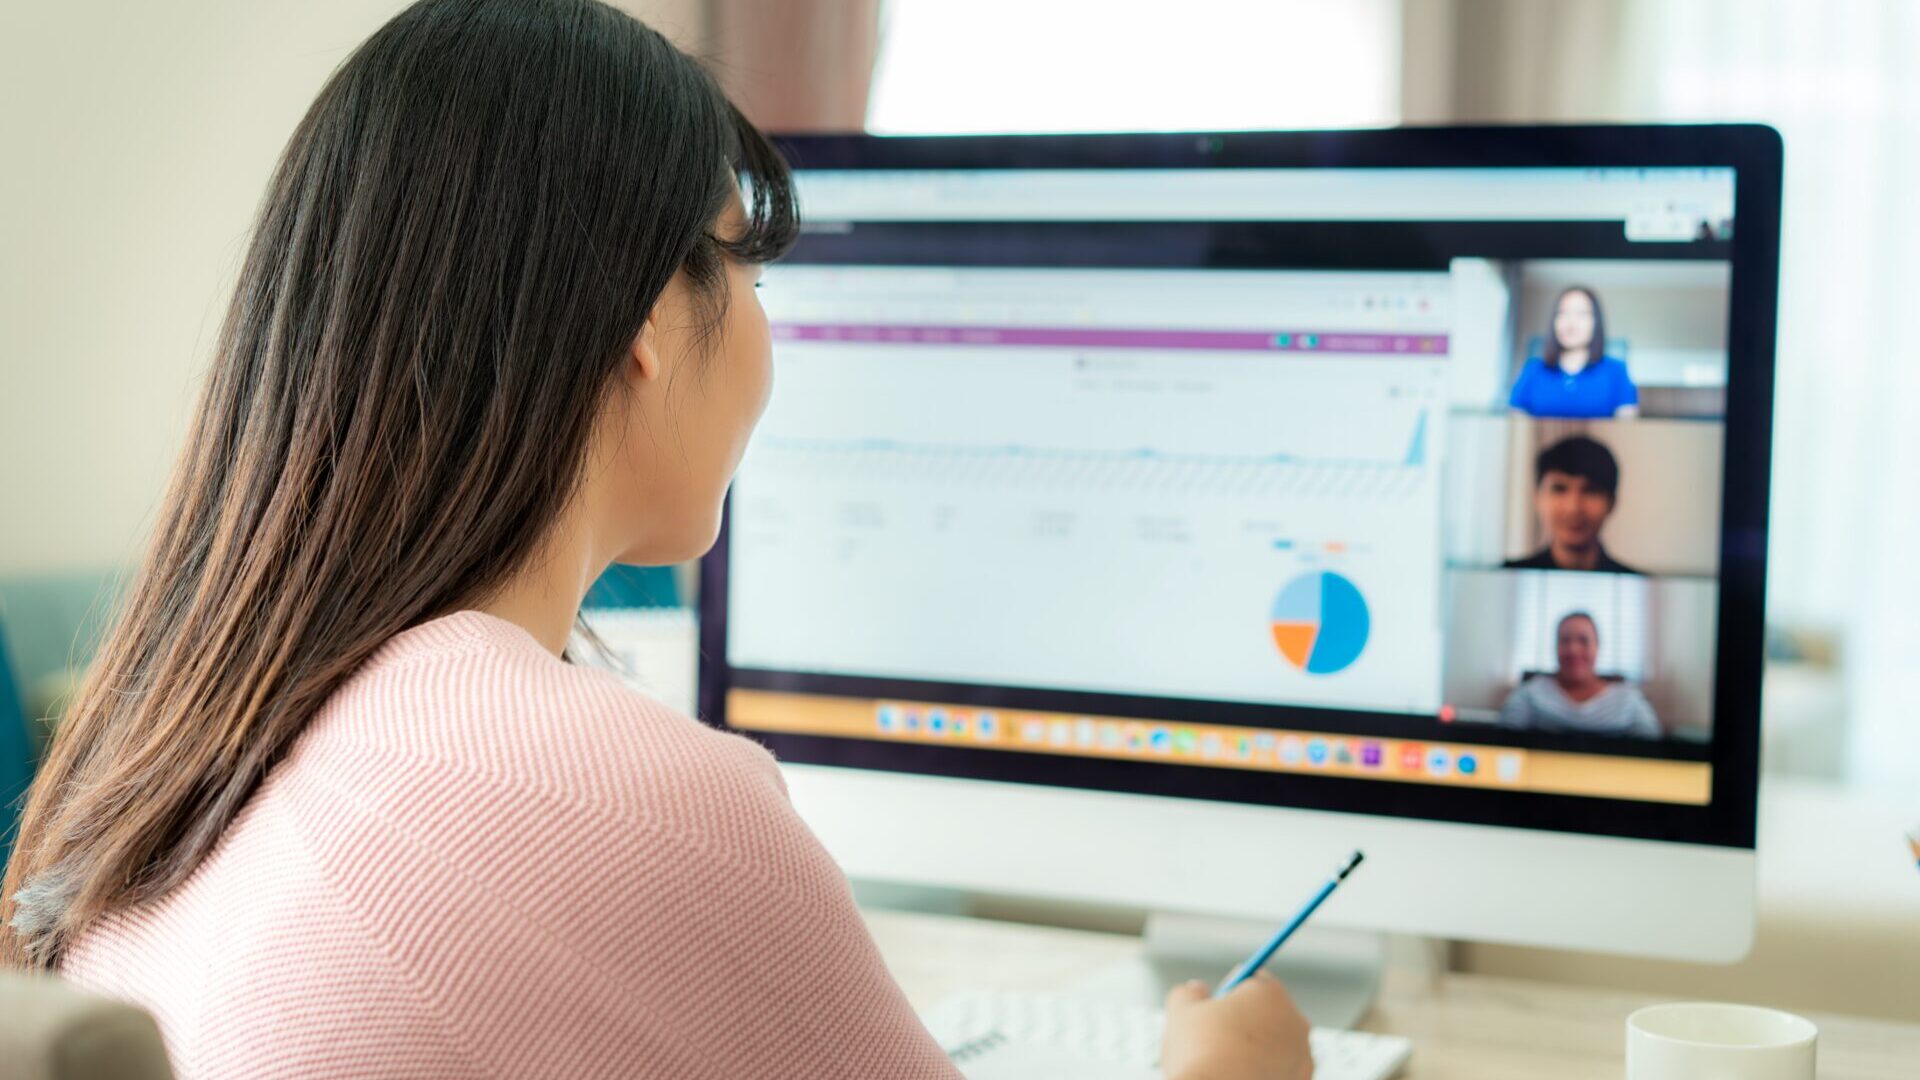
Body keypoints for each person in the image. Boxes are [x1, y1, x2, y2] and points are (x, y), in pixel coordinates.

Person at [0, 3, 1314, 1079]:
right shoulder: (624, 799)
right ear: (645, 316)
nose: (764, 332)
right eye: (751, 272)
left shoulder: (166, 753)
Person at [1499, 612, 1661, 739]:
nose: (1573, 650)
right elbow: (1503, 743)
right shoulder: (1530, 695)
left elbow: (1654, 751)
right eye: (1565, 640)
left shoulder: (1628, 700)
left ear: (1597, 646)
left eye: (1583, 641)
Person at [1504, 435, 1643, 574]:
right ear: (1537, 497)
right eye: (1559, 489)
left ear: (1611, 502)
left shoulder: (1637, 582)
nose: (1573, 508)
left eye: (1591, 491)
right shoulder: (1509, 576)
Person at [1507, 286, 1640, 418]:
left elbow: (1626, 424)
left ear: (1595, 322)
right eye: (1563, 313)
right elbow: (1516, 418)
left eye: (1581, 314)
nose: (1571, 323)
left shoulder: (1616, 370)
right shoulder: (1533, 369)